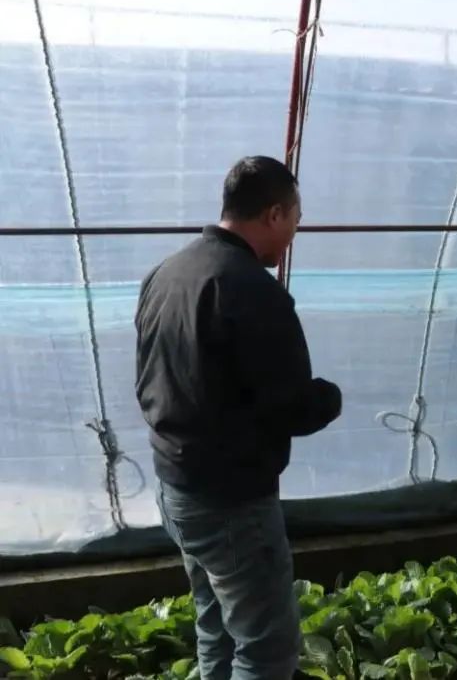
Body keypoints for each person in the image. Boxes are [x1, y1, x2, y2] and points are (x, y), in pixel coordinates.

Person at [135, 156, 342, 679]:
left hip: (177, 486)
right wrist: (330, 398)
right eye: (295, 220)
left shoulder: (167, 273)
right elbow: (291, 406)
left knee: (218, 630)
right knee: (266, 649)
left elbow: (148, 382)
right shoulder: (252, 291)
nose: (293, 235)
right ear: (274, 214)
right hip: (231, 502)